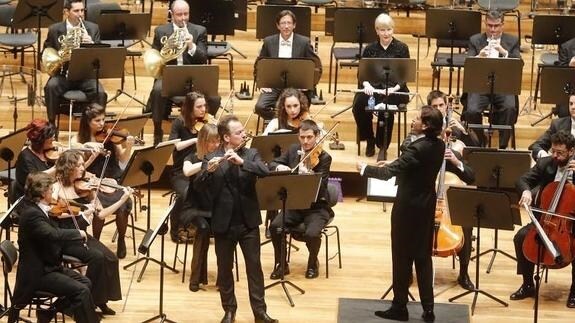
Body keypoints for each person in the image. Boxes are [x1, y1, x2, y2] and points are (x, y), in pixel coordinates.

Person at [356, 106, 445, 322]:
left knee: (402, 256)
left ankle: (400, 308)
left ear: (424, 125)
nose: (412, 121)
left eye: (415, 119)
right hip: (426, 205)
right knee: (423, 258)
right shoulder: (439, 145)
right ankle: (429, 309)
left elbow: (387, 174)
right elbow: (413, 167)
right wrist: (397, 163)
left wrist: (364, 168)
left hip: (407, 208)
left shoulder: (416, 148)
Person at [194, 115, 277, 323]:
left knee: (254, 268)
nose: (244, 134)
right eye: (239, 132)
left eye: (243, 131)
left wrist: (242, 163)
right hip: (223, 224)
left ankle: (260, 312)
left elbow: (264, 171)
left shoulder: (251, 154)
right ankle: (229, 310)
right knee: (224, 270)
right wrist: (207, 172)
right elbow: (197, 187)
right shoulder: (211, 157)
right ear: (226, 137)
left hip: (248, 223)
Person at [9, 172, 100, 323]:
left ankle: (49, 313)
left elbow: (54, 232)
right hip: (38, 274)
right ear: (43, 192)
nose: (53, 192)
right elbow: (52, 234)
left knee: (86, 283)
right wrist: (78, 232)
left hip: (49, 266)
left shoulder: (38, 209)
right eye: (51, 190)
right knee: (81, 291)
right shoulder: (31, 214)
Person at [53, 150, 132, 316]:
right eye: (80, 165)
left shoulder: (88, 188)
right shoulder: (56, 187)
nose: (84, 168)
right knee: (97, 258)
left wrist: (121, 200)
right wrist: (81, 213)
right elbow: (53, 212)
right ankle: (88, 302)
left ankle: (100, 300)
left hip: (81, 235)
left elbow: (101, 214)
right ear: (69, 167)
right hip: (65, 237)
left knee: (111, 258)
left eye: (83, 164)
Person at [511, 130, 575, 308]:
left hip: (570, 223)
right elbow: (522, 180)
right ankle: (528, 285)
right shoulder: (546, 163)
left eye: (560, 152)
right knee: (521, 237)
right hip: (545, 219)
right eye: (553, 150)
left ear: (571, 151)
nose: (554, 155)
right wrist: (525, 191)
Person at [145, 0, 219, 145]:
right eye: (179, 14)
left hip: (194, 77)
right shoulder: (161, 31)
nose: (183, 18)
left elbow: (203, 57)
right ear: (171, 14)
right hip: (169, 76)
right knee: (157, 90)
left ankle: (204, 128)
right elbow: (154, 55)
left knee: (215, 99)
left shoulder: (199, 31)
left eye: (186, 14)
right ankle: (157, 130)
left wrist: (191, 45)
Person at [268, 119, 332, 279]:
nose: (306, 141)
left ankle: (312, 262)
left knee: (311, 234)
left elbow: (322, 188)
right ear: (298, 136)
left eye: (309, 137)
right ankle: (281, 264)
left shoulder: (324, 157)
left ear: (316, 136)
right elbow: (272, 162)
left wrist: (310, 177)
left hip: (316, 207)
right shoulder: (293, 150)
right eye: (302, 137)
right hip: (295, 205)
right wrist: (279, 167)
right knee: (275, 227)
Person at [73, 103, 133, 258]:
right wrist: (90, 151)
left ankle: (121, 238)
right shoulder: (78, 140)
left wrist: (129, 146)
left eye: (103, 120)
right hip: (92, 181)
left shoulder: (111, 136)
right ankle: (96, 241)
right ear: (87, 122)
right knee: (97, 208)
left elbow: (122, 159)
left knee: (123, 203)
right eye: (97, 121)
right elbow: (78, 167)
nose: (102, 124)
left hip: (112, 178)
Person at [352, 13, 410, 159]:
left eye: (389, 29)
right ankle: (370, 139)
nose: (386, 33)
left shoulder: (402, 48)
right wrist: (366, 85)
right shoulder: (370, 48)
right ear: (377, 31)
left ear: (393, 30)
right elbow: (362, 74)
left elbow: (405, 76)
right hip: (373, 89)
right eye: (382, 30)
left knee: (387, 108)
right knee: (358, 105)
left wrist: (393, 89)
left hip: (395, 90)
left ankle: (383, 145)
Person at [43, 0, 107, 127]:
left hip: (85, 75)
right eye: (76, 11)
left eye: (82, 10)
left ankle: (96, 126)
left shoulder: (93, 28)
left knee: (100, 93)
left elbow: (100, 56)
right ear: (66, 12)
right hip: (63, 74)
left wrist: (92, 45)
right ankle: (51, 124)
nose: (80, 14)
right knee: (51, 87)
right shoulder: (55, 29)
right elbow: (46, 52)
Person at [464, 10, 521, 149]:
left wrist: (504, 52)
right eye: (489, 25)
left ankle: (502, 146)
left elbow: (520, 64)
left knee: (510, 108)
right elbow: (467, 64)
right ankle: (481, 141)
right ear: (485, 24)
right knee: (471, 111)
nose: (492, 29)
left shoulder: (512, 41)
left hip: (503, 86)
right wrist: (478, 58)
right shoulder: (475, 40)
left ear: (502, 25)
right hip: (480, 86)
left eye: (496, 26)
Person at [254, 9, 322, 121]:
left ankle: (287, 122)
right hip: (274, 85)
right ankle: (283, 122)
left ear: (294, 25)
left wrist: (309, 84)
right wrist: (261, 83)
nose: (286, 26)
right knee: (260, 107)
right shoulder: (269, 42)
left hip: (297, 86)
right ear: (278, 26)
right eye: (283, 23)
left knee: (301, 107)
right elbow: (259, 64)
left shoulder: (304, 42)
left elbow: (316, 66)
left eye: (289, 23)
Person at [168, 91, 215, 242]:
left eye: (204, 106)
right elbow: (175, 145)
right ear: (189, 108)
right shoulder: (179, 123)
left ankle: (206, 225)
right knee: (185, 193)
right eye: (199, 107)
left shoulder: (205, 122)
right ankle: (175, 228)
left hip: (201, 168)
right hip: (181, 172)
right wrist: (195, 140)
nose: (203, 110)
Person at [181, 123, 220, 292]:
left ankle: (223, 279)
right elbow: (187, 172)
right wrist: (206, 163)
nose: (216, 145)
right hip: (194, 207)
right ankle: (195, 278)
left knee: (225, 230)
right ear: (203, 141)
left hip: (215, 207)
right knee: (203, 228)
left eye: (218, 141)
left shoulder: (221, 157)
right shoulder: (191, 158)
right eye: (212, 142)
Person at [13, 119, 58, 202]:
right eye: (50, 136)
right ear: (40, 140)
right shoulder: (25, 157)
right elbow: (36, 180)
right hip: (31, 200)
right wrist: (57, 167)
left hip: (47, 195)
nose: (53, 137)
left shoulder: (48, 151)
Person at [529, 94, 575, 161]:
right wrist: (545, 157)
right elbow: (537, 146)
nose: (573, 107)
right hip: (560, 168)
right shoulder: (558, 124)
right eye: (571, 104)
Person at [553, 37, 575, 117]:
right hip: (572, 89)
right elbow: (562, 75)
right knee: (564, 112)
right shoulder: (566, 45)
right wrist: (570, 66)